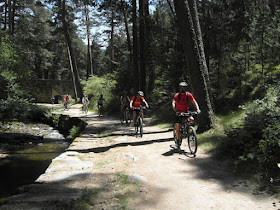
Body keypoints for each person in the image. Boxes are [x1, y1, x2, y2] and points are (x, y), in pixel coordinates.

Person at [172, 82, 201, 146]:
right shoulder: (177, 95)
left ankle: (190, 132)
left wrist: (197, 109)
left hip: (186, 111)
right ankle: (177, 139)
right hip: (179, 112)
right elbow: (173, 103)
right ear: (180, 88)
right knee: (178, 126)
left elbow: (194, 102)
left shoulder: (189, 95)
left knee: (192, 120)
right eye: (181, 88)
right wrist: (175, 110)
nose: (183, 89)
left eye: (184, 88)